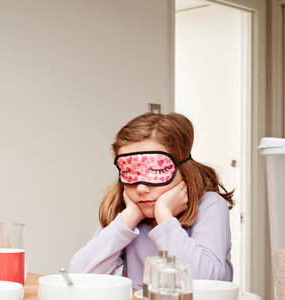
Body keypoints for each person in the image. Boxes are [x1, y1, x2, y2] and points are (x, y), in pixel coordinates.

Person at [69, 112, 234, 289]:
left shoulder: (210, 205)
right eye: (130, 173)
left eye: (155, 172)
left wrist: (165, 217)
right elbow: (79, 276)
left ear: (184, 169)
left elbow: (208, 283)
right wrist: (129, 219)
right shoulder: (130, 211)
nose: (141, 188)